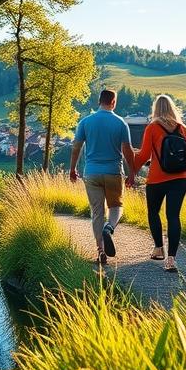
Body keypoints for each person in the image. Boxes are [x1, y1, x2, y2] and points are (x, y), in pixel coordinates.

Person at [69, 89, 136, 265]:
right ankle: (109, 227)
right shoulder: (121, 123)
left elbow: (76, 147)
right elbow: (128, 150)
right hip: (113, 172)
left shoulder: (85, 122)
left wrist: (72, 168)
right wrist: (132, 173)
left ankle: (100, 252)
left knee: (97, 212)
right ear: (113, 102)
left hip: (91, 173)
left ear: (99, 101)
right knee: (116, 206)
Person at [132, 94, 186, 273]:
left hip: (157, 178)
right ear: (172, 108)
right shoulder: (183, 128)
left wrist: (132, 173)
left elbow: (144, 155)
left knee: (153, 212)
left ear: (155, 109)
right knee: (173, 217)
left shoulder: (152, 127)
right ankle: (171, 260)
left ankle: (159, 248)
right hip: (180, 178)